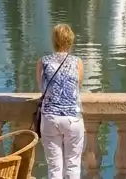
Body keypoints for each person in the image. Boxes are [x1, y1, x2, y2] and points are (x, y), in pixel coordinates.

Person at [39, 23, 84, 179]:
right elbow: (77, 87)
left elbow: (42, 88)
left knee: (54, 167)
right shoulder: (77, 62)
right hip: (73, 117)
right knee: (73, 165)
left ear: (53, 41)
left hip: (50, 117)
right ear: (71, 40)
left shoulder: (43, 62)